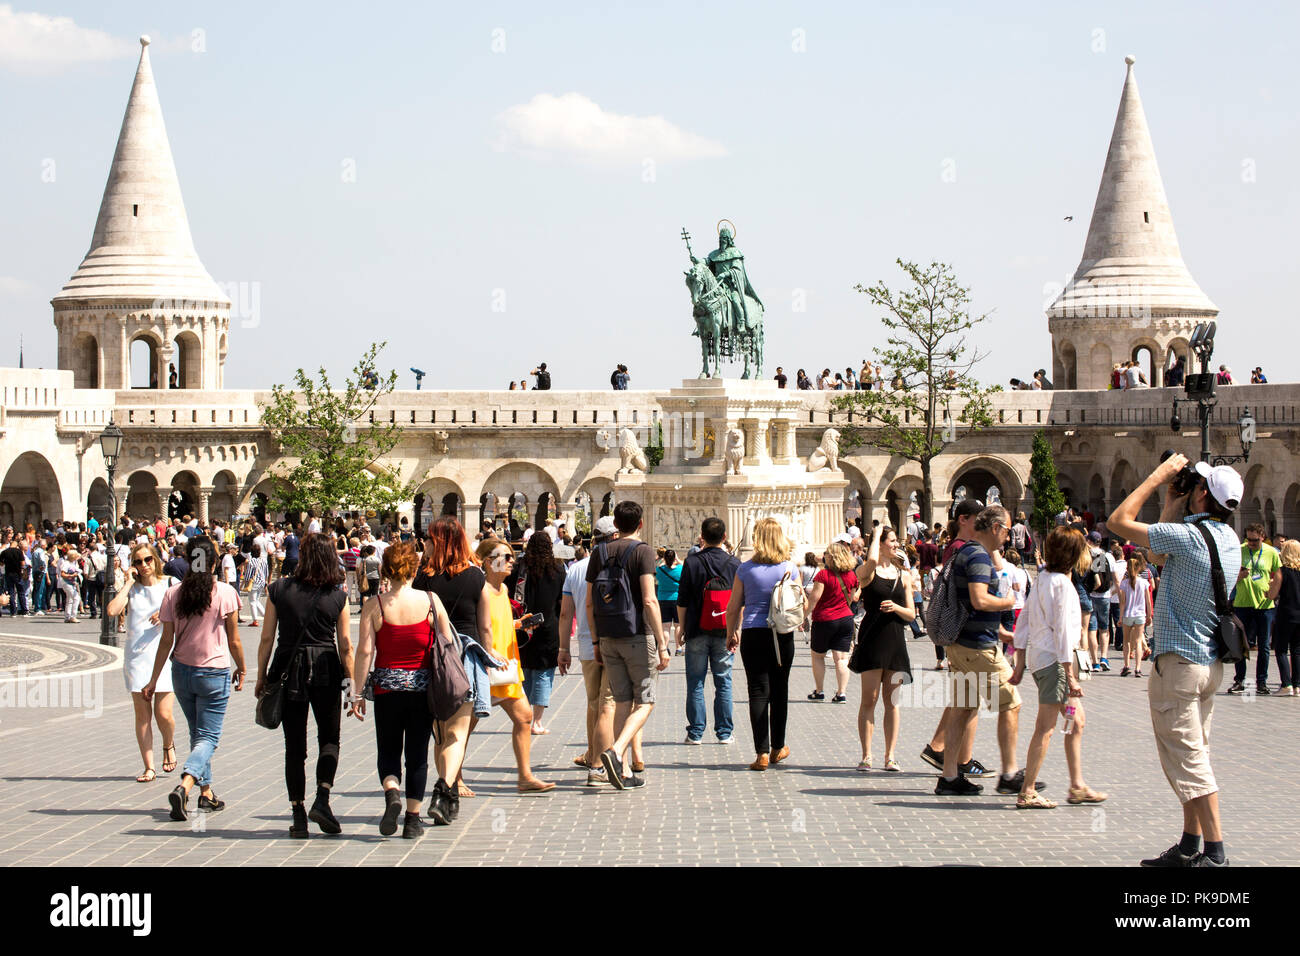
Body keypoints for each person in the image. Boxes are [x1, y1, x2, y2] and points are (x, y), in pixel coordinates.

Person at [1107, 454, 1243, 867]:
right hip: (1208, 667)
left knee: (1190, 759)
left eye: (1195, 487)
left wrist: (1157, 477)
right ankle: (1189, 844)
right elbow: (1160, 559)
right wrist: (1171, 504)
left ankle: (1215, 854)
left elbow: (1118, 521)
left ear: (1202, 494)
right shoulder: (1228, 540)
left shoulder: (1187, 537)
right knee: (1193, 751)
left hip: (1180, 664)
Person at [936, 505, 1037, 797]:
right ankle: (1009, 774)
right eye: (1006, 531)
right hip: (977, 646)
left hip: (961, 644)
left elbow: (971, 606)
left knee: (963, 708)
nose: (1008, 537)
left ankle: (949, 777)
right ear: (994, 528)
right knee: (1011, 703)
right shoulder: (979, 556)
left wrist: (1004, 632)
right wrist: (1009, 602)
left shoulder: (965, 552)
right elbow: (980, 601)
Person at [256, 533, 353, 838]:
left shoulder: (278, 589)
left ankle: (298, 814)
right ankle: (322, 798)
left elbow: (267, 638)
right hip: (325, 666)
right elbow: (346, 645)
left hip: (287, 667)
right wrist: (350, 681)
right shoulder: (338, 596)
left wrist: (261, 675)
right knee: (330, 738)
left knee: (294, 745)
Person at [144, 536, 246, 822]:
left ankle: (207, 793)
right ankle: (185, 785)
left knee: (197, 734)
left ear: (189, 560)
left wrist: (153, 680)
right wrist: (243, 668)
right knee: (209, 737)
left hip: (182, 672)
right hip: (213, 672)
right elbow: (234, 640)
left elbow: (166, 641)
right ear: (213, 562)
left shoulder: (173, 593)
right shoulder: (225, 592)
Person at [1010, 527, 1106, 808]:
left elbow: (1024, 622)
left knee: (1075, 720)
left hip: (1044, 662)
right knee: (1046, 727)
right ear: (1074, 554)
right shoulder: (1062, 585)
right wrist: (1070, 674)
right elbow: (1063, 632)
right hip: (1056, 664)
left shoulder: (1042, 579)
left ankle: (1077, 785)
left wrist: (1020, 662)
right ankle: (1027, 790)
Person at [350, 542, 435, 838]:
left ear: (386, 570)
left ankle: (392, 794)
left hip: (386, 691)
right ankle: (412, 820)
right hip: (422, 691)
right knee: (417, 754)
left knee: (388, 749)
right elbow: (450, 644)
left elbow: (364, 652)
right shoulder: (430, 602)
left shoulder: (375, 606)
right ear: (414, 568)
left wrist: (356, 692)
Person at [414, 517, 498, 807]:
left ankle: (447, 785)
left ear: (435, 542)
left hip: (433, 656)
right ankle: (447, 786)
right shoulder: (476, 577)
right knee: (458, 732)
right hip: (464, 657)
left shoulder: (423, 577)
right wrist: (486, 659)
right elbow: (485, 626)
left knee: (439, 730)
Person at [586, 500, 670, 789]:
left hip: (608, 637)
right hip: (637, 636)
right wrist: (661, 643)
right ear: (641, 523)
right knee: (646, 700)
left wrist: (596, 640)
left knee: (622, 701)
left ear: (615, 525)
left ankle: (623, 772)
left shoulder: (599, 552)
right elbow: (648, 599)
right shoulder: (644, 551)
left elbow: (588, 603)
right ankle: (616, 750)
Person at [473, 538, 555, 793]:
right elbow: (481, 628)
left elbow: (500, 624)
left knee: (524, 717)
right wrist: (490, 653)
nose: (512, 562)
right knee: (465, 725)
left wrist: (520, 624)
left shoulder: (504, 591)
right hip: (488, 666)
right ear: (488, 562)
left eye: (512, 557)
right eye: (505, 557)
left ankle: (524, 776)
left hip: (506, 666)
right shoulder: (482, 590)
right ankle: (454, 778)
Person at [726, 517, 804, 771]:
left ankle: (760, 752)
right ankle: (777, 747)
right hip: (782, 634)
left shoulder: (744, 570)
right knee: (780, 689)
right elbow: (799, 603)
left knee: (757, 691)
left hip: (754, 633)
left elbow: (733, 607)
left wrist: (731, 633)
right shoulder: (789, 568)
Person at [107, 543, 178, 783]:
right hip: (137, 657)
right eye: (138, 562)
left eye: (147, 559)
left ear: (155, 559)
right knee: (142, 715)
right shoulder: (132, 589)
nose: (144, 565)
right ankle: (149, 767)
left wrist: (166, 613)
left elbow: (188, 609)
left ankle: (168, 744)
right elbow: (112, 610)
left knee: (164, 713)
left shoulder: (169, 584)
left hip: (165, 655)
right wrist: (128, 582)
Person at [848, 525, 914, 771]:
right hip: (873, 639)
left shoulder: (904, 576)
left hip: (895, 640)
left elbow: (911, 614)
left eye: (896, 540)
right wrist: (875, 535)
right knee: (870, 699)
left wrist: (896, 608)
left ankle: (890, 755)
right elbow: (873, 559)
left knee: (892, 702)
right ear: (881, 542)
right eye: (892, 540)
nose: (896, 545)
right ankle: (866, 755)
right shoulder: (867, 572)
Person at [675, 517, 739, 744]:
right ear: (724, 537)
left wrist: (681, 628)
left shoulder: (691, 563)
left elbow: (682, 600)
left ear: (702, 536)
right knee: (724, 681)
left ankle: (695, 732)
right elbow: (739, 601)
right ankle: (724, 733)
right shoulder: (734, 563)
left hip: (696, 629)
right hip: (724, 630)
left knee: (695, 681)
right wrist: (736, 629)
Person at [560, 525, 616, 782]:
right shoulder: (616, 565)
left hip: (584, 642)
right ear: (613, 537)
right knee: (610, 703)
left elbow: (565, 613)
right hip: (614, 640)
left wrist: (563, 648)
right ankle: (601, 761)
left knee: (593, 702)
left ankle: (593, 753)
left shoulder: (576, 568)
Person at [507, 531, 565, 734]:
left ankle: (524, 715)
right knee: (543, 672)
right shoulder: (558, 569)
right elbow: (561, 600)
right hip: (548, 626)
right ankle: (537, 722)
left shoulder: (519, 567)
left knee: (524, 672)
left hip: (522, 625)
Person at [1229, 522, 1281, 695]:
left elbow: (1278, 574)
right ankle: (1240, 680)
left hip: (1264, 605)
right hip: (1242, 603)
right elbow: (1228, 576)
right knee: (1240, 643)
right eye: (1249, 539)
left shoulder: (1271, 552)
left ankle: (1261, 682)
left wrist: (1273, 593)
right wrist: (1239, 576)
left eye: (1255, 540)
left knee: (1264, 645)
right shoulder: (1239, 550)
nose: (1251, 543)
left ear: (1262, 537)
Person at [806, 541, 857, 704]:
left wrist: (804, 615)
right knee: (841, 658)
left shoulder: (823, 575)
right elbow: (853, 597)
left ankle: (819, 691)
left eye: (826, 553)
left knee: (818, 656)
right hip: (846, 618)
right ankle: (841, 693)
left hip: (825, 619)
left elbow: (814, 598)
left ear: (831, 556)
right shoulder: (851, 575)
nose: (824, 556)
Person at [1118, 554, 1154, 677]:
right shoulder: (1144, 582)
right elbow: (1148, 601)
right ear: (1139, 568)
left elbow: (1122, 603)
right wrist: (1149, 615)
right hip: (1140, 614)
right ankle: (1138, 668)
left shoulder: (1124, 583)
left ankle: (1126, 665)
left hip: (1128, 614)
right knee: (1138, 642)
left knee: (1126, 641)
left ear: (1127, 569)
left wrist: (1120, 617)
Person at [1273, 540, 1300, 696]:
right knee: (1297, 650)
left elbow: (1273, 594)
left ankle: (1286, 685)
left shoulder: (1281, 571)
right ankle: (1297, 686)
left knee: (1282, 649)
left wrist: (1268, 591)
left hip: (1286, 614)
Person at [655, 549, 682, 654]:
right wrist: (678, 560)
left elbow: (657, 568)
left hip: (663, 599)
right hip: (676, 599)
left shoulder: (660, 570)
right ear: (674, 558)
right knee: (678, 625)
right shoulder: (680, 569)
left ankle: (665, 648)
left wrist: (663, 561)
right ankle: (678, 648)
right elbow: (684, 565)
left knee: (665, 626)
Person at [244, 542, 268, 626]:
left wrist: (246, 582)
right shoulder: (264, 561)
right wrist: (265, 582)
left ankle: (255, 620)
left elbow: (248, 574)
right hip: (261, 582)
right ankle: (265, 616)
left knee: (252, 601)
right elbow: (266, 573)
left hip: (254, 583)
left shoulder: (251, 562)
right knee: (257, 600)